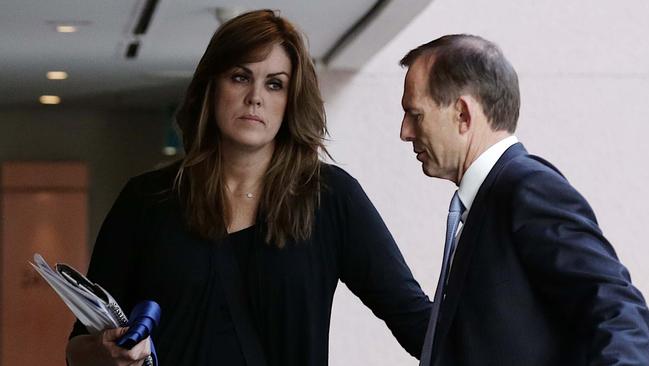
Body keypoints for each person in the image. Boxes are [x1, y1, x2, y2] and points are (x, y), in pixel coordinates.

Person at [65, 9, 431, 366]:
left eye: (275, 84)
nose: (255, 96)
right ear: (211, 86)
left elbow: (414, 320)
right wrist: (105, 352)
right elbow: (77, 347)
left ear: (290, 102)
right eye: (240, 77)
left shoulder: (329, 197)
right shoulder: (146, 199)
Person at [399, 33, 649, 366]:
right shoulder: (490, 199)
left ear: (462, 114)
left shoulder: (528, 187)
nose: (405, 131)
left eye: (415, 115)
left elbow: (619, 311)